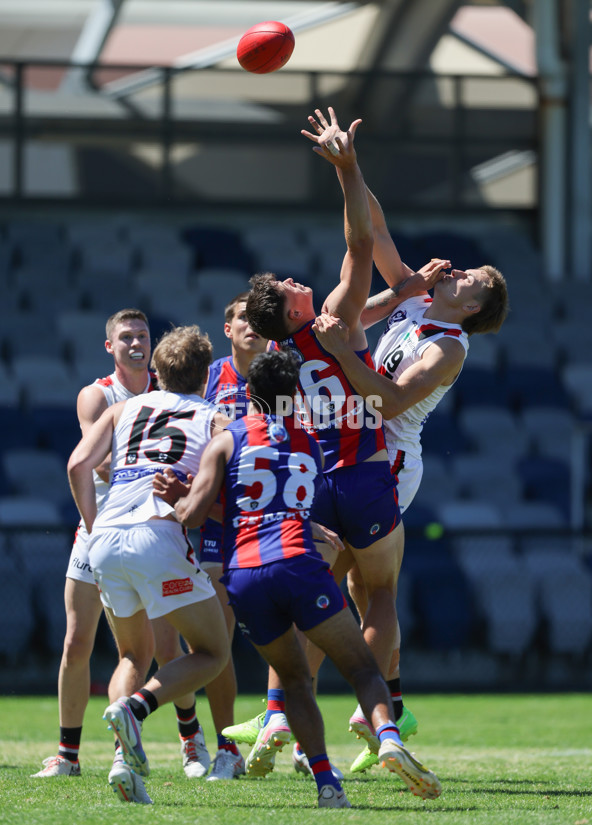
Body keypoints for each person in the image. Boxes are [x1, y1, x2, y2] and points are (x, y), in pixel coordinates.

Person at [306, 108, 510, 772]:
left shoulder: (450, 349)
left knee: (365, 587)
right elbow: (375, 230)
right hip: (349, 444)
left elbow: (391, 400)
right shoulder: (417, 301)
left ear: (473, 307)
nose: (460, 271)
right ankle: (388, 708)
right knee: (355, 589)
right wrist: (349, 166)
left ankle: (334, 710)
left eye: (471, 278)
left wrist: (343, 351)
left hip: (388, 458)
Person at [155, 348, 442, 808]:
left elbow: (196, 513)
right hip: (300, 564)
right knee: (365, 667)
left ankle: (305, 757)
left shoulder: (229, 438)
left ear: (248, 392)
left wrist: (177, 496)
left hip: (245, 576)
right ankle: (386, 734)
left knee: (293, 679)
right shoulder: (309, 443)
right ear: (295, 395)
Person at [237, 106, 409, 775]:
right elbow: (363, 245)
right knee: (383, 592)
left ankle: (279, 711)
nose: (293, 280)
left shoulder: (277, 362)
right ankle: (378, 713)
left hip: (311, 486)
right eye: (286, 287)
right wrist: (348, 169)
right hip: (362, 470)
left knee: (319, 604)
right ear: (293, 311)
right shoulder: (334, 319)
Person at [31, 309, 203, 785]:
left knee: (165, 646)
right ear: (110, 346)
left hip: (152, 530)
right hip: (100, 529)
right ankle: (68, 753)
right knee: (76, 642)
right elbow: (99, 463)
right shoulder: (99, 394)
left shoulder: (167, 392)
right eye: (125, 337)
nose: (135, 343)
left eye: (142, 336)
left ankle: (190, 739)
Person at [66, 324, 232, 804]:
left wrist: (95, 526)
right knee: (211, 653)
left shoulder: (122, 407)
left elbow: (79, 466)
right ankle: (136, 710)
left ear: (156, 372)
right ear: (206, 377)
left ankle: (123, 760)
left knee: (131, 655)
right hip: (158, 538)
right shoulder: (214, 416)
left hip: (104, 541)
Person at [196, 292, 267, 780]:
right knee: (218, 638)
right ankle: (227, 748)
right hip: (221, 519)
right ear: (228, 328)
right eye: (243, 317)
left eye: (260, 319)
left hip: (273, 516)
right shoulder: (208, 378)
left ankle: (301, 738)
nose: (252, 326)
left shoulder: (287, 373)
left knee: (300, 630)